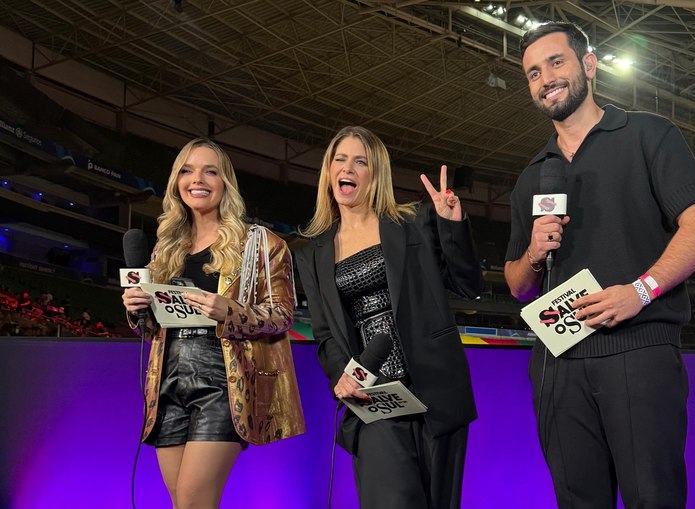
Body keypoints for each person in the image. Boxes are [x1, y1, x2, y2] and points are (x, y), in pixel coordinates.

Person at [504, 22, 695, 509]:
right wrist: (535, 256)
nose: (545, 79)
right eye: (533, 73)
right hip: (556, 361)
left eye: (556, 62)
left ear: (588, 65)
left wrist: (640, 291)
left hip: (638, 349)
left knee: (652, 498)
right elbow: (517, 286)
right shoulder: (531, 176)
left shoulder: (649, 134)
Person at [297, 126, 482, 508]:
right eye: (340, 159)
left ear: (374, 174)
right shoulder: (311, 255)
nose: (348, 167)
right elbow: (325, 335)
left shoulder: (414, 223)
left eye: (360, 161)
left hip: (435, 393)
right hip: (376, 397)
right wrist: (342, 376)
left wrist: (451, 224)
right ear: (329, 171)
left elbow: (467, 284)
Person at [121, 138, 305, 508]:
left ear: (226, 182)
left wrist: (230, 311)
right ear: (176, 182)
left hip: (223, 383)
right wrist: (135, 307)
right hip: (168, 385)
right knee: (181, 504)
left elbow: (283, 315)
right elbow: (150, 327)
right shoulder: (164, 248)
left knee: (193, 500)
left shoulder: (259, 243)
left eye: (210, 171)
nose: (197, 179)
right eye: (186, 171)